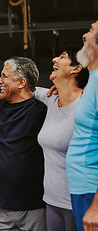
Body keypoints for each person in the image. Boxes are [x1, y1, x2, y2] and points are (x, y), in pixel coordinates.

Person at [0, 56, 47, 231]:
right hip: (3, 207)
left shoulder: (42, 110)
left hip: (35, 206)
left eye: (4, 76)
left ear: (22, 82)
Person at [34, 46, 89, 231]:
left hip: (79, 203)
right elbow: (21, 89)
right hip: (51, 201)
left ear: (76, 68)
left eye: (62, 57)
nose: (54, 60)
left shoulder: (88, 104)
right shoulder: (50, 99)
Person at [65, 20, 98, 231]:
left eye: (91, 31)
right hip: (81, 188)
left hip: (91, 191)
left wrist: (96, 206)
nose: (84, 36)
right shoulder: (92, 80)